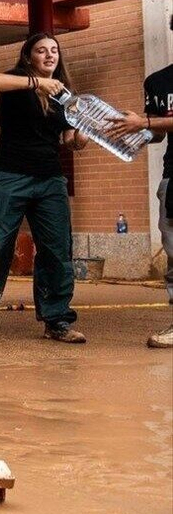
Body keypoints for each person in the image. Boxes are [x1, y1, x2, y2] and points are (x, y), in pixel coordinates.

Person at [0, 33, 88, 343]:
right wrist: (37, 83)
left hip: (50, 179)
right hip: (9, 175)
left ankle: (57, 320)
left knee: (57, 249)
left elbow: (70, 142)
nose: (49, 55)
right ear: (29, 56)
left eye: (54, 50)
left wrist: (82, 132)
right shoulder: (18, 81)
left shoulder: (66, 94)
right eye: (42, 50)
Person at [107, 61, 172, 348]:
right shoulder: (157, 81)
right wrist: (128, 131)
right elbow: (157, 134)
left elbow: (150, 123)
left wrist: (144, 123)